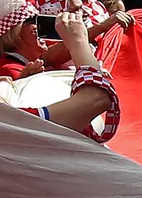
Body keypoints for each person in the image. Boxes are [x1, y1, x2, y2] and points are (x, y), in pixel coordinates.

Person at [1, 8, 120, 142]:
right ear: (14, 34)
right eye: (31, 21)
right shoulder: (9, 71)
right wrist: (79, 41)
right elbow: (97, 100)